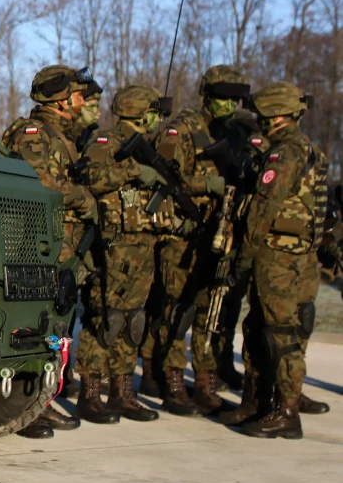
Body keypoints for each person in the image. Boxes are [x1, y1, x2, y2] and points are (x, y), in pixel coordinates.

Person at [2, 65, 112, 434]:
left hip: (64, 249)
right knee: (37, 326)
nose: (84, 102)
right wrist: (83, 197)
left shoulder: (64, 135)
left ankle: (42, 398)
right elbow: (40, 184)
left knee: (59, 327)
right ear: (61, 100)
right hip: (39, 248)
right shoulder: (33, 134)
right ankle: (22, 405)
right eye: (78, 96)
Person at [223, 82, 329, 438]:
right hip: (292, 255)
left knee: (280, 333)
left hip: (276, 256)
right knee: (258, 328)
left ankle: (287, 412)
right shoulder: (309, 150)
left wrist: (244, 255)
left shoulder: (284, 153)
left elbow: (263, 209)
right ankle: (257, 402)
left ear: (274, 115)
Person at [147, 66, 252, 416]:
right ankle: (173, 382)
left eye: (235, 99)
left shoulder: (234, 132)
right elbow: (161, 175)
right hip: (183, 235)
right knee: (178, 309)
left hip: (219, 235)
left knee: (211, 312)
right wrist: (207, 186)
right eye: (223, 98)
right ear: (207, 95)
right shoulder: (183, 127)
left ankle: (205, 382)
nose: (230, 105)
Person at [75, 83, 168, 423]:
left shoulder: (150, 146)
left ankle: (122, 391)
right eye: (153, 109)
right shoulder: (106, 142)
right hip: (113, 245)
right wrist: (133, 170)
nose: (157, 116)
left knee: (133, 320)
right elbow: (91, 181)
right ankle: (89, 393)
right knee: (106, 318)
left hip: (142, 243)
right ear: (140, 110)